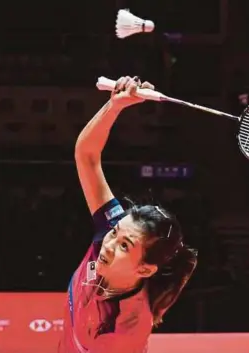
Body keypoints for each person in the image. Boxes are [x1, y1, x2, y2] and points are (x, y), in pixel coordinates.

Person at [58, 76, 198, 353]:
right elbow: (86, 155)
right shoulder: (111, 231)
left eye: (124, 246)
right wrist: (115, 106)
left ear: (144, 269)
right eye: (114, 233)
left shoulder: (125, 329)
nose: (107, 244)